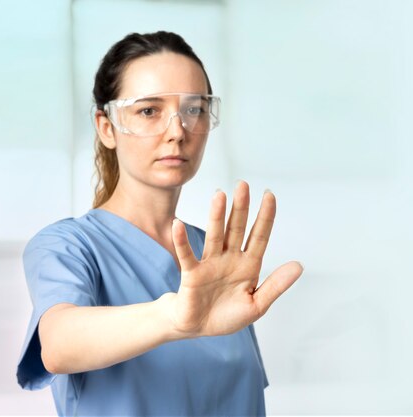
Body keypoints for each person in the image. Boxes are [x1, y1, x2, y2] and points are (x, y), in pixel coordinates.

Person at [16, 30, 304, 416]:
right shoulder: (68, 246)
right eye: (149, 110)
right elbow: (58, 345)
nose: (177, 131)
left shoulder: (218, 260)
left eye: (193, 109)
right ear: (106, 127)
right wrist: (174, 317)